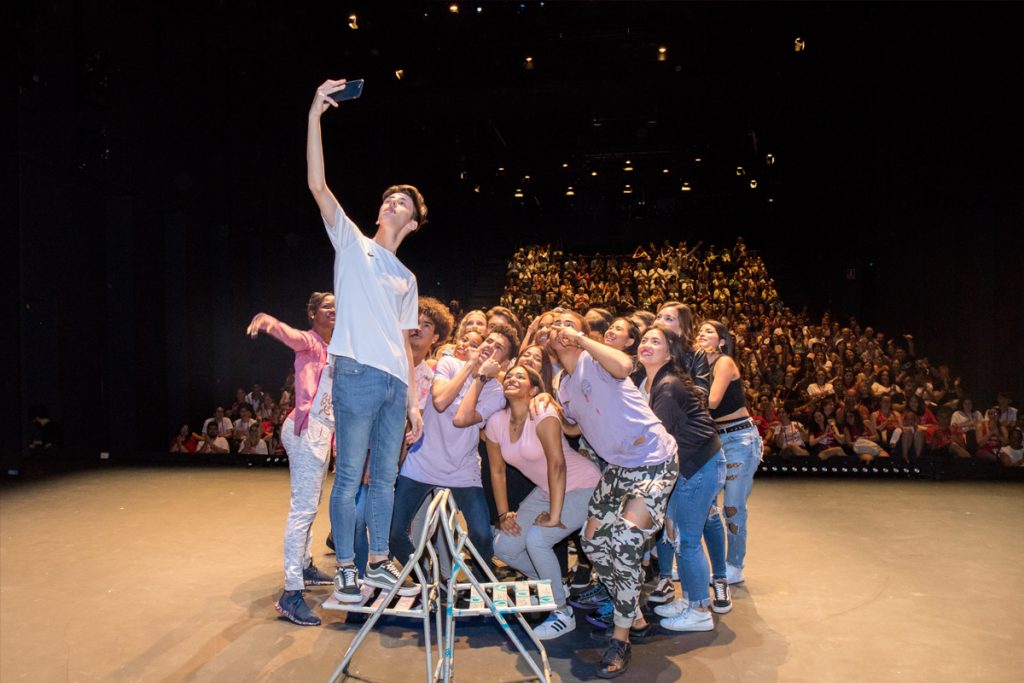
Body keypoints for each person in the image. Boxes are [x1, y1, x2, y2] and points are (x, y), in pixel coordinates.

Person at [308, 78, 426, 600]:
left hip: (395, 384)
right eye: (389, 198)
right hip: (354, 371)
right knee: (351, 472)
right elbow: (318, 185)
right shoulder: (354, 244)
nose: (391, 203)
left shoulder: (408, 278)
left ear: (414, 222)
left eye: (402, 202)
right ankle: (349, 566)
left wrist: (415, 400)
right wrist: (315, 113)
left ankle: (379, 559)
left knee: (386, 479)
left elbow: (407, 342)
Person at [546, 311, 678, 678]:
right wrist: (557, 413)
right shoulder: (561, 383)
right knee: (592, 543)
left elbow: (623, 365)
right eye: (549, 327)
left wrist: (581, 338)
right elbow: (576, 428)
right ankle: (630, 607)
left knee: (622, 542)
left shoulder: (596, 356)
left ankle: (620, 638)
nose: (554, 330)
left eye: (561, 324)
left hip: (654, 460)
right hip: (618, 468)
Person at [389, 326, 519, 576]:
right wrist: (470, 368)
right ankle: (425, 583)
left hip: (462, 469)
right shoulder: (449, 364)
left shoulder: (497, 392)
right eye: (488, 341)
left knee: (481, 535)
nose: (490, 346)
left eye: (499, 347)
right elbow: (439, 401)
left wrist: (480, 378)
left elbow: (461, 419)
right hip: (421, 463)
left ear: (506, 362)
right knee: (395, 534)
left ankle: (481, 595)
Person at [484, 365, 601, 640]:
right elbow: (497, 471)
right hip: (546, 490)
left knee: (538, 539)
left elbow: (557, 463)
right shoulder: (495, 423)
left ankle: (561, 611)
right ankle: (556, 587)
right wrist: (503, 514)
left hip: (582, 485)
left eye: (520, 376)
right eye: (509, 375)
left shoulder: (543, 413)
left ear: (534, 389)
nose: (512, 378)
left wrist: (554, 514)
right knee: (505, 547)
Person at [247, 291, 337, 626]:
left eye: (337, 306)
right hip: (307, 431)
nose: (334, 310)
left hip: (321, 433)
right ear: (313, 312)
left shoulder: (336, 347)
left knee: (310, 502)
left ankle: (304, 566)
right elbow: (290, 335)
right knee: (303, 508)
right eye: (327, 306)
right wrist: (268, 322)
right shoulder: (310, 343)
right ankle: (291, 593)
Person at [636, 324, 728, 633]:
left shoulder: (668, 385)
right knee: (676, 537)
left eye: (655, 341)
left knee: (687, 541)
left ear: (669, 352)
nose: (646, 344)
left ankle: (700, 609)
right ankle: (690, 597)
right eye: (644, 339)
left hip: (699, 466)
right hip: (686, 467)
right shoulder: (653, 383)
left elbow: (655, 440)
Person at [696, 320, 763, 586]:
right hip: (713, 438)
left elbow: (711, 401)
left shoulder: (723, 362)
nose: (702, 333)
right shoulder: (698, 366)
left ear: (722, 341)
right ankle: (698, 562)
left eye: (709, 332)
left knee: (733, 506)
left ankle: (735, 564)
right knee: (705, 506)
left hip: (738, 438)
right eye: (699, 331)